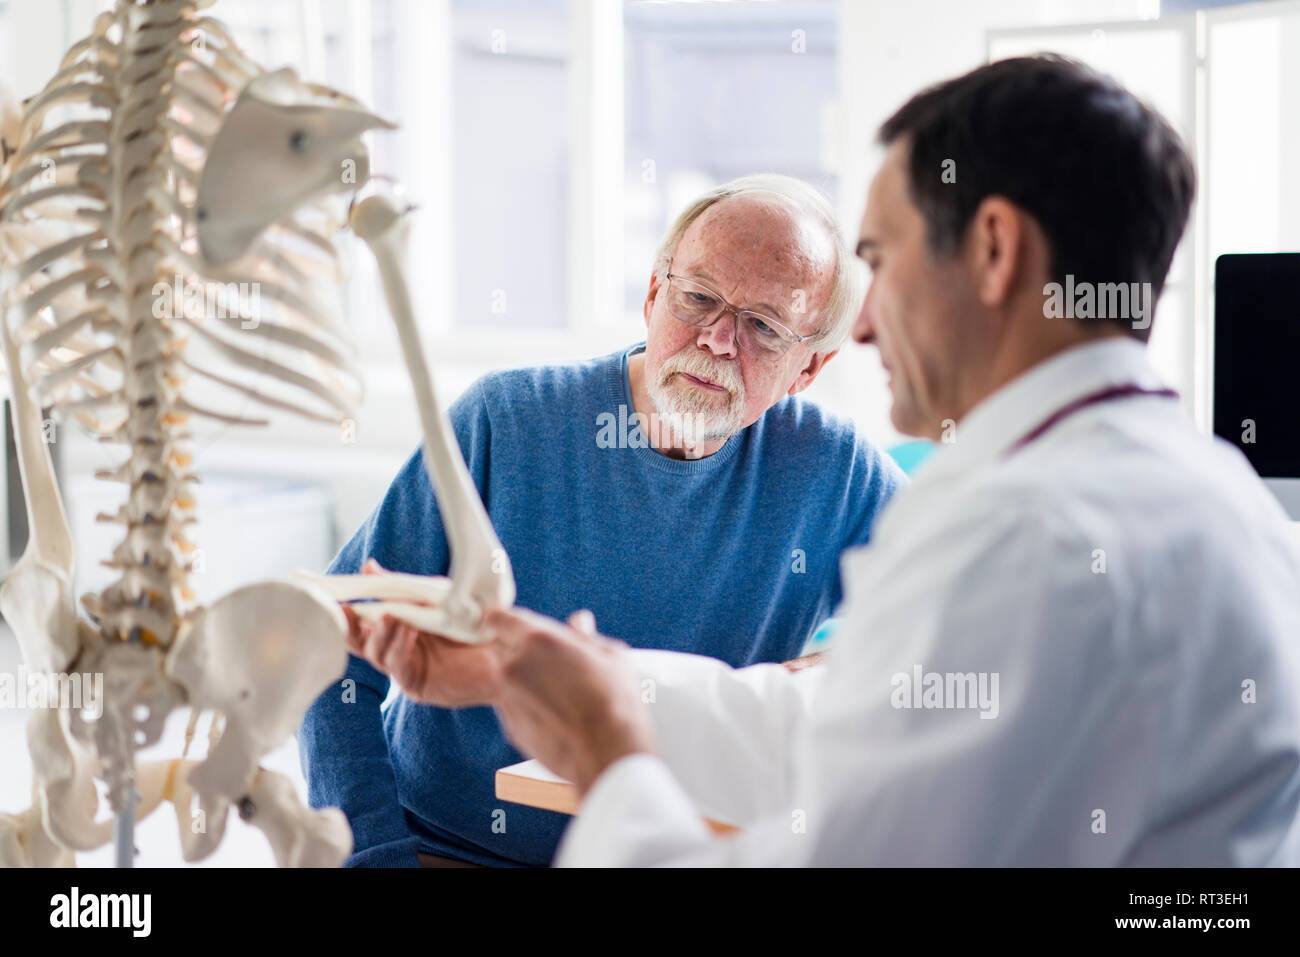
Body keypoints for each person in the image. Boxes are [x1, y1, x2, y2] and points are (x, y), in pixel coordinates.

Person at [350, 55, 1300, 866]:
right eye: (701, 303)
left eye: (880, 261)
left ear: (996, 250)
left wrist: (606, 758)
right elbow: (845, 733)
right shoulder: (1211, 499)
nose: (871, 322)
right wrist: (551, 668)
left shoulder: (1026, 535)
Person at [298, 173, 907, 867]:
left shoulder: (838, 470)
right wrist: (374, 854)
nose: (716, 340)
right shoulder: (507, 421)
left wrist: (837, 669)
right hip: (450, 848)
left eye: (763, 327)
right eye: (699, 298)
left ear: (809, 368)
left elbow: (951, 632)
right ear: (653, 294)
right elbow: (328, 648)